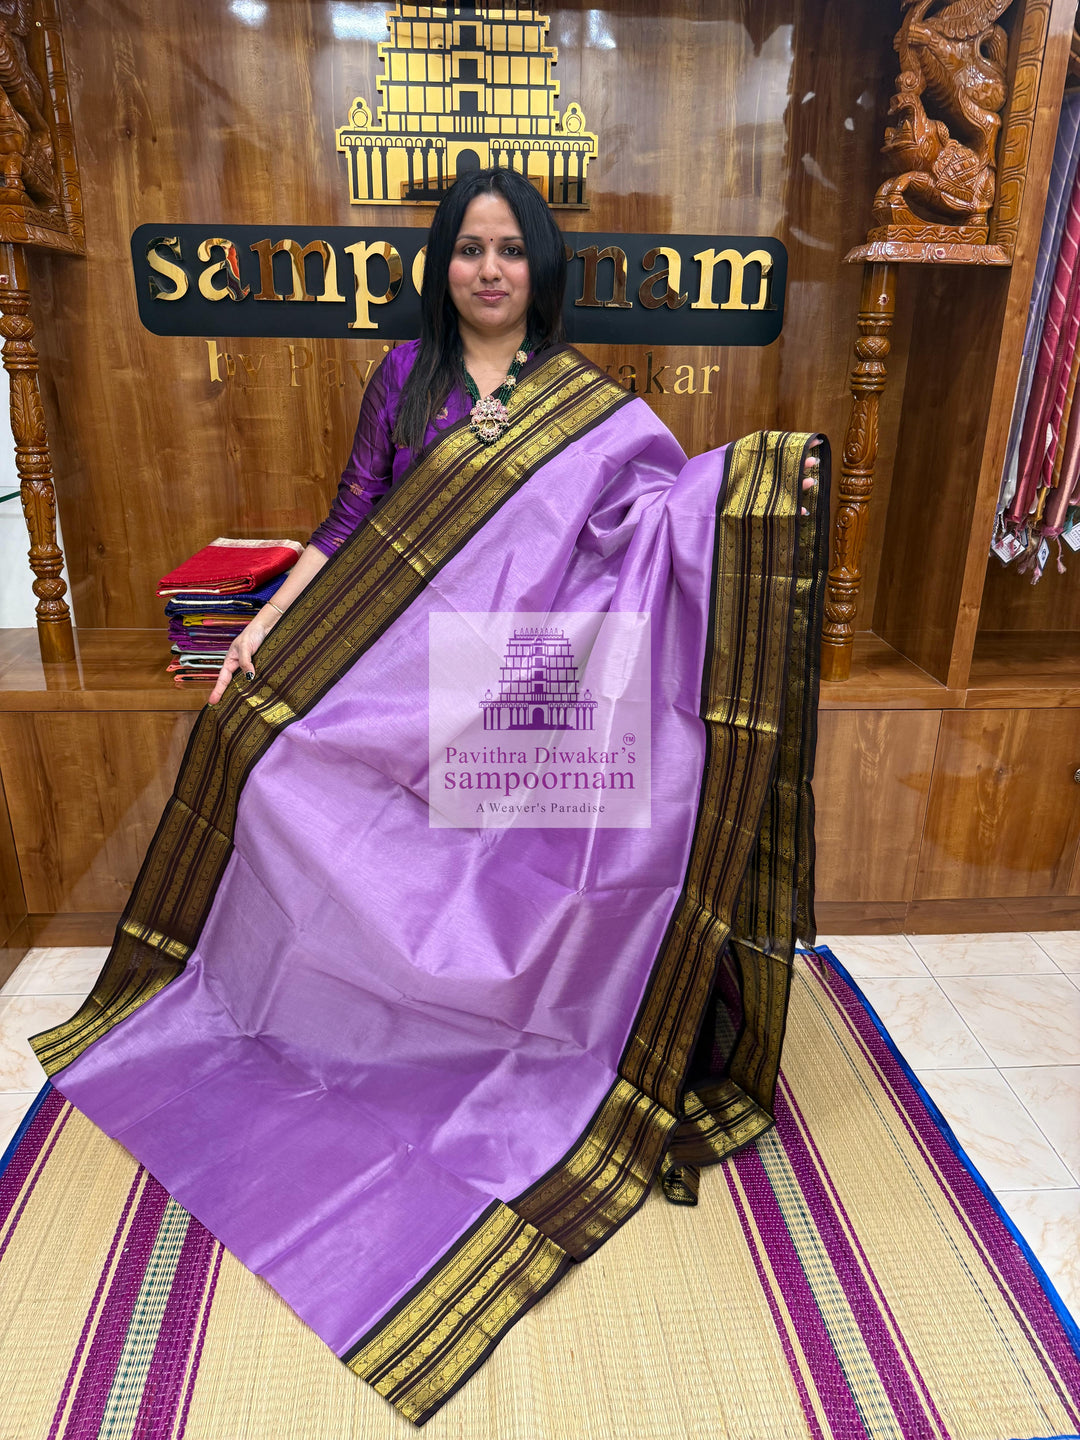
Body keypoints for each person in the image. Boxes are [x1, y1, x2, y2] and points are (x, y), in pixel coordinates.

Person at [33, 168, 828, 1426]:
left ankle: (532, 1026)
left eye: (513, 250)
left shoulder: (587, 408)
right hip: (407, 678)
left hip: (528, 685)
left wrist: (753, 487)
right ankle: (365, 1015)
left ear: (542, 268)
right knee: (281, 766)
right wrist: (270, 625)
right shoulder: (408, 384)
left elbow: (652, 531)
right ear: (443, 266)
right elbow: (351, 524)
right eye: (470, 249)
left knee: (564, 864)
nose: (492, 269)